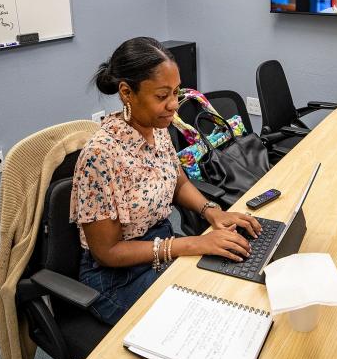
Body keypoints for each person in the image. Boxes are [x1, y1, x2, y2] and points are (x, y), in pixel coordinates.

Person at [69, 36, 262, 324]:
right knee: (198, 319)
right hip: (117, 276)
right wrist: (190, 244)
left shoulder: (157, 127)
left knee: (231, 285)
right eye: (162, 96)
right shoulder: (100, 157)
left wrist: (213, 213)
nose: (174, 105)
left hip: (161, 246)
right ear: (126, 93)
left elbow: (178, 182)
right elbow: (107, 252)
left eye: (176, 92)